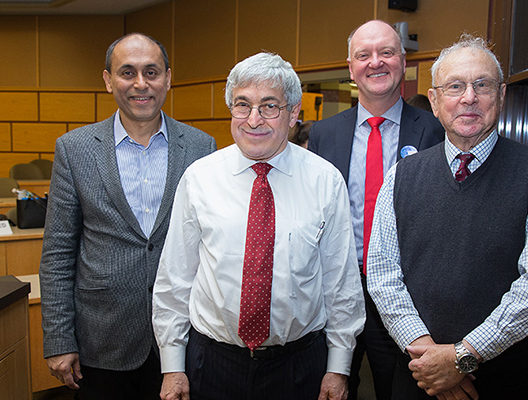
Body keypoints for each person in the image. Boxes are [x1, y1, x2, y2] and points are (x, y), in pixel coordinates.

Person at [367, 34, 528, 400]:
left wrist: (462, 357)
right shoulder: (401, 176)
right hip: (417, 380)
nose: (468, 98)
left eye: (482, 85)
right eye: (455, 86)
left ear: (502, 95)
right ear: (434, 100)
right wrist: (429, 356)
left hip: (503, 384)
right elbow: (383, 276)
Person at [153, 52, 365, 400]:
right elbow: (175, 279)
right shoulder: (199, 179)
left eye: (269, 106)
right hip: (212, 363)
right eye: (242, 105)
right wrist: (173, 366)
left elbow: (340, 285)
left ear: (294, 112)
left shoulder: (326, 181)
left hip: (298, 366)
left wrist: (339, 368)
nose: (254, 119)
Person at [39, 33, 216, 400]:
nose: (141, 84)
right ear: (108, 80)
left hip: (181, 337)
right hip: (102, 341)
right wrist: (58, 339)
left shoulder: (201, 147)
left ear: (167, 78)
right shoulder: (74, 149)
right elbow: (57, 253)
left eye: (151, 72)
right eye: (127, 72)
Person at [308, 19, 444, 400]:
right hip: (334, 289)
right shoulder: (324, 134)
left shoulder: (434, 131)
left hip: (405, 292)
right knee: (331, 386)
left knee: (400, 389)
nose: (375, 62)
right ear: (350, 68)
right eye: (363, 55)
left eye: (386, 52)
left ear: (402, 60)